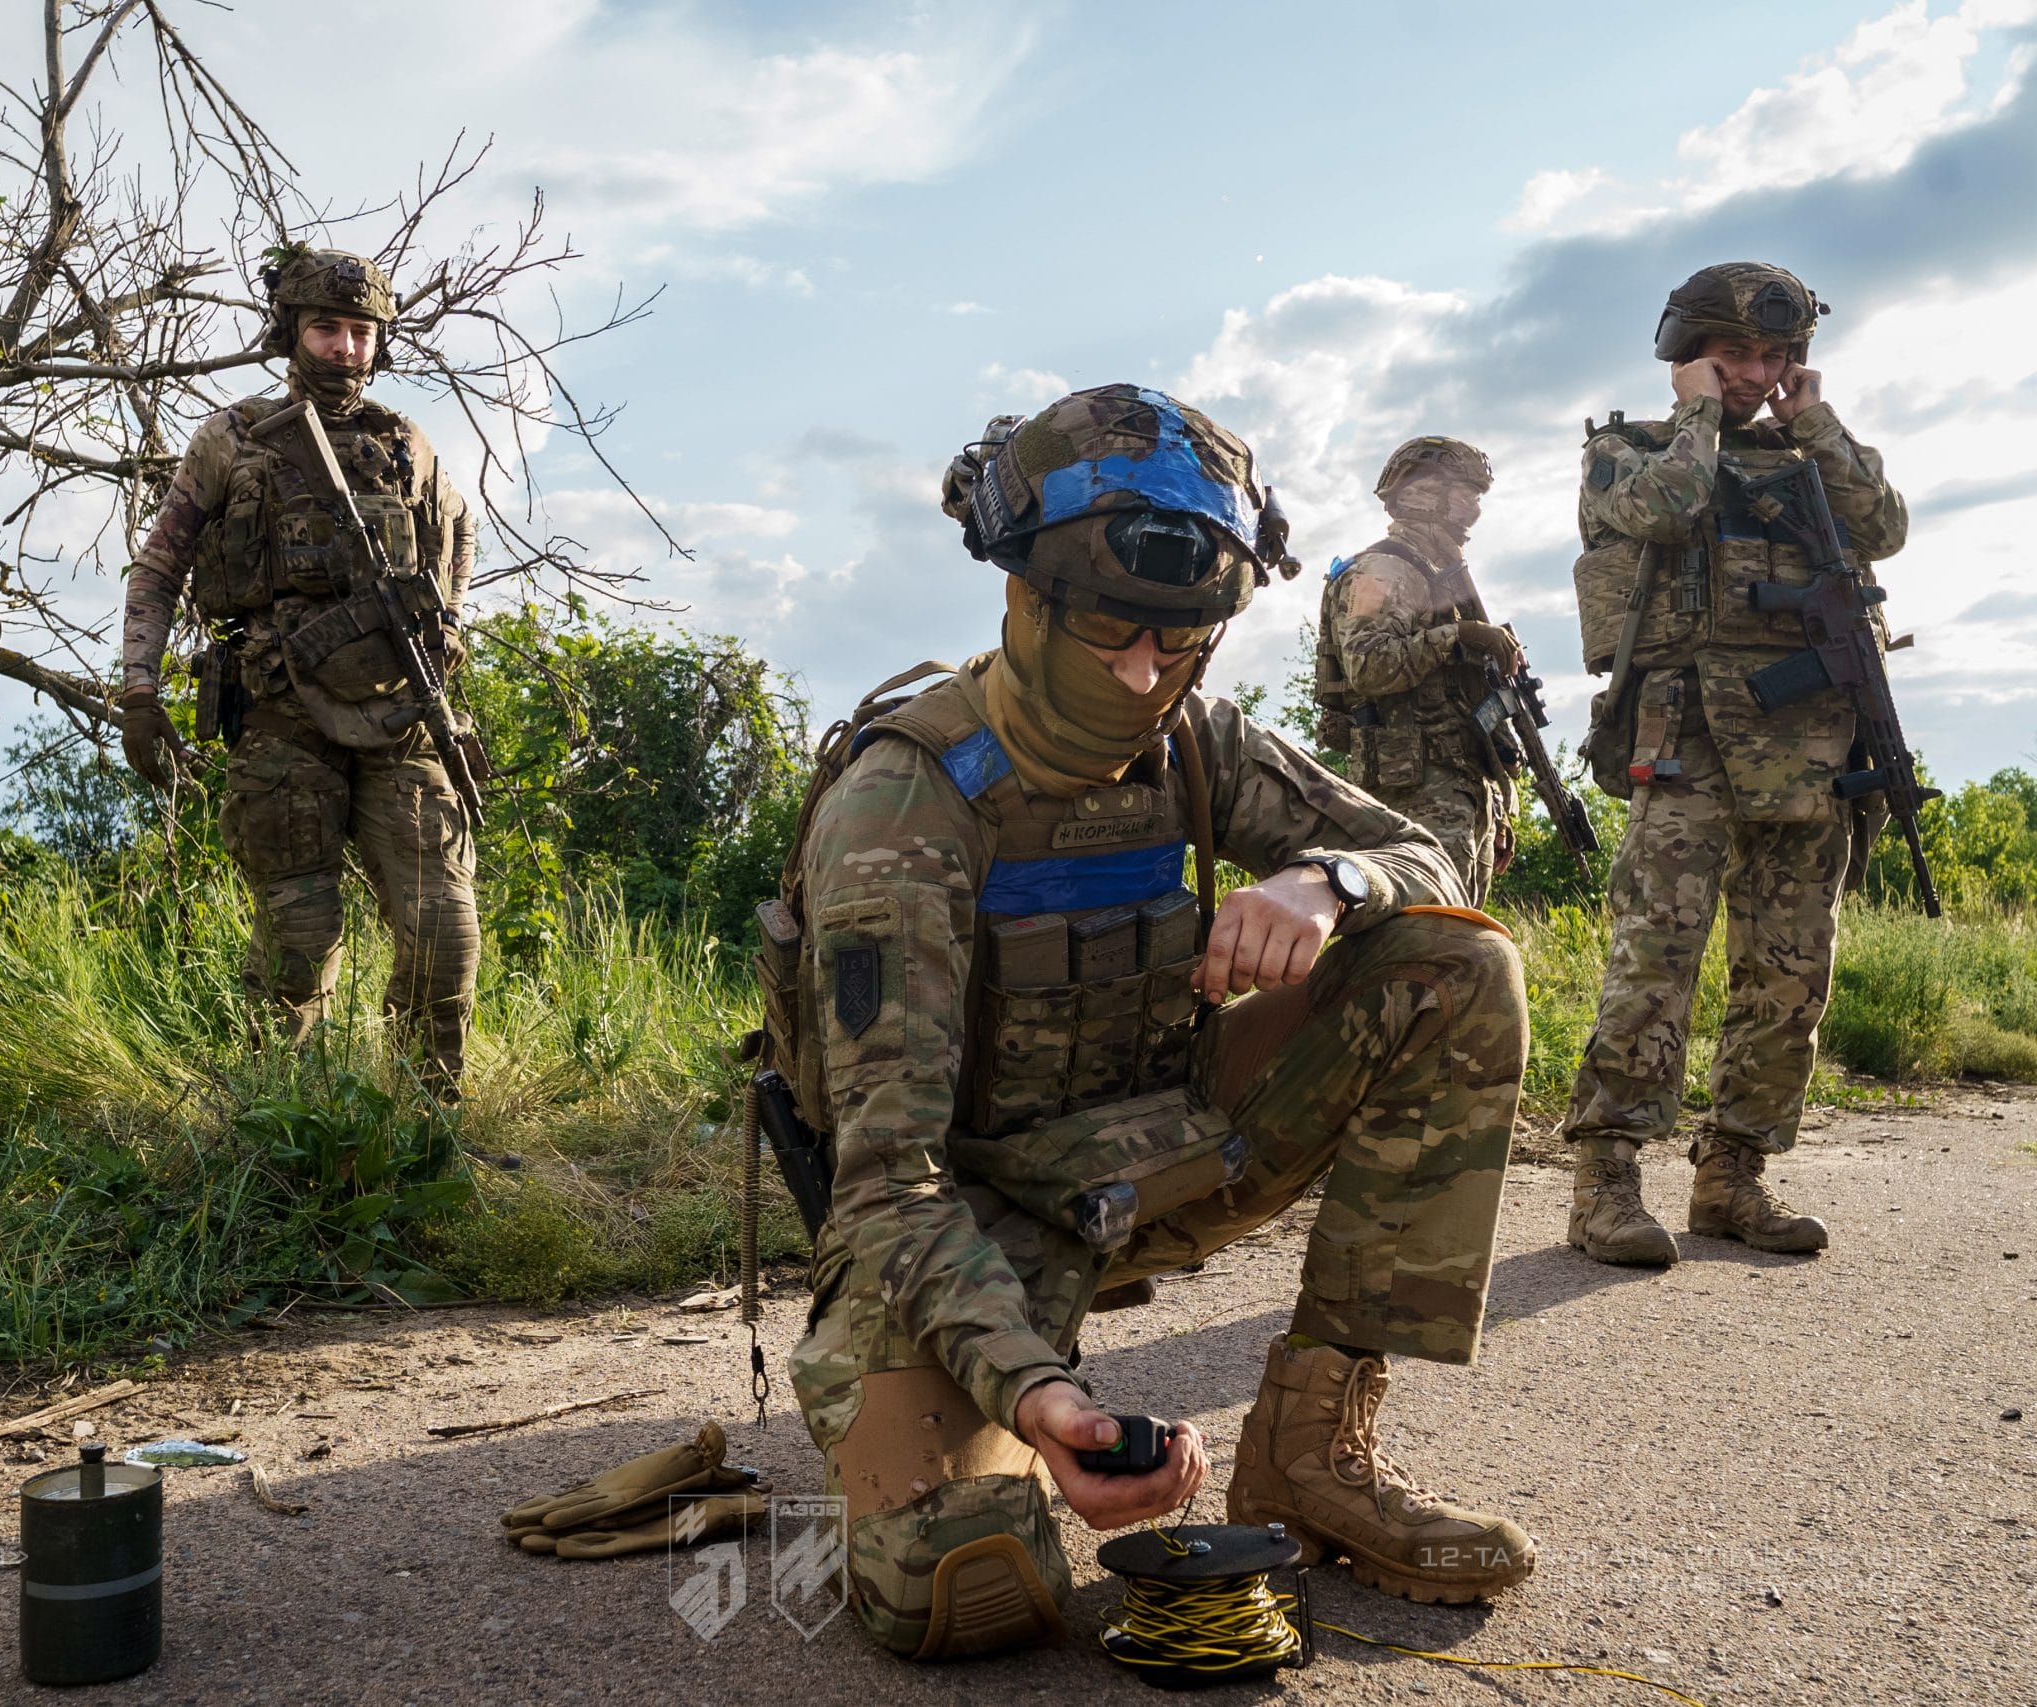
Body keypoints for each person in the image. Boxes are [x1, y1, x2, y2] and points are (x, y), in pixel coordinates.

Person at [755, 385, 1535, 1661]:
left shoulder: (1197, 744)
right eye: (1112, 632)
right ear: (1025, 599)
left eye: (1181, 644)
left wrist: (1327, 882)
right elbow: (885, 1186)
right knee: (971, 1596)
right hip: (957, 1224)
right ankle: (942, 1420)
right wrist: (1040, 1394)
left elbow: (1427, 853)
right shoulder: (904, 807)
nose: (1141, 675)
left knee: (1452, 969)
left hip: (1153, 1152)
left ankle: (1308, 1455)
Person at [1561, 262, 1905, 1266]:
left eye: (1775, 355)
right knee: (1654, 965)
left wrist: (1816, 422)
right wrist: (1698, 416)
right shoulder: (1624, 452)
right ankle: (1604, 1186)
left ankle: (1734, 1176)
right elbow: (1667, 509)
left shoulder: (1810, 459)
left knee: (1790, 971)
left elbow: (1883, 527)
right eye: (1736, 355)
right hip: (1687, 744)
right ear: (1688, 354)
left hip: (1810, 750)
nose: (1756, 372)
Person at [117, 248, 480, 1088]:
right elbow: (158, 568)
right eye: (327, 329)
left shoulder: (403, 442)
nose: (346, 348)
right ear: (291, 332)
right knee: (296, 946)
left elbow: (458, 530)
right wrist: (140, 691)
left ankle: (427, 1122)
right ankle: (277, 1129)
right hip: (283, 720)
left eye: (361, 332)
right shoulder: (233, 437)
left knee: (445, 932)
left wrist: (452, 616)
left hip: (398, 717)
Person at [1313, 437, 1520, 904]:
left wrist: (1498, 805)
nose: (1475, 512)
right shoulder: (1384, 570)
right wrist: (1458, 638)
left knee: (1462, 941)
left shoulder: (1437, 574)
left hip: (1458, 784)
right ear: (1424, 493)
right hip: (1413, 788)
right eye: (1467, 495)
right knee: (1425, 938)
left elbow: (1468, 703)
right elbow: (1368, 665)